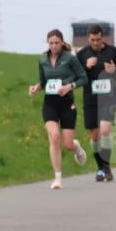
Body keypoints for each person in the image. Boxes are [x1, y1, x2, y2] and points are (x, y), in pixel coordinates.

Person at [28, 29, 88, 189]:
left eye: (56, 43)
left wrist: (69, 86)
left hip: (67, 103)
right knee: (54, 137)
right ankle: (57, 178)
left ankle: (77, 148)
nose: (53, 46)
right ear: (48, 44)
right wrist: (36, 87)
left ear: (62, 43)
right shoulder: (42, 60)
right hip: (50, 104)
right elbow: (43, 82)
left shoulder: (70, 59)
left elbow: (83, 78)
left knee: (67, 144)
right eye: (51, 43)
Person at [76, 25, 116, 181]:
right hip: (91, 98)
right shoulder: (82, 54)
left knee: (105, 129)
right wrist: (86, 66)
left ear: (102, 37)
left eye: (98, 39)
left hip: (109, 97)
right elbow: (75, 75)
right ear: (88, 38)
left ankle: (107, 167)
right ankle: (100, 167)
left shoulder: (113, 51)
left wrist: (114, 70)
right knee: (95, 135)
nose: (95, 42)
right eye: (92, 40)